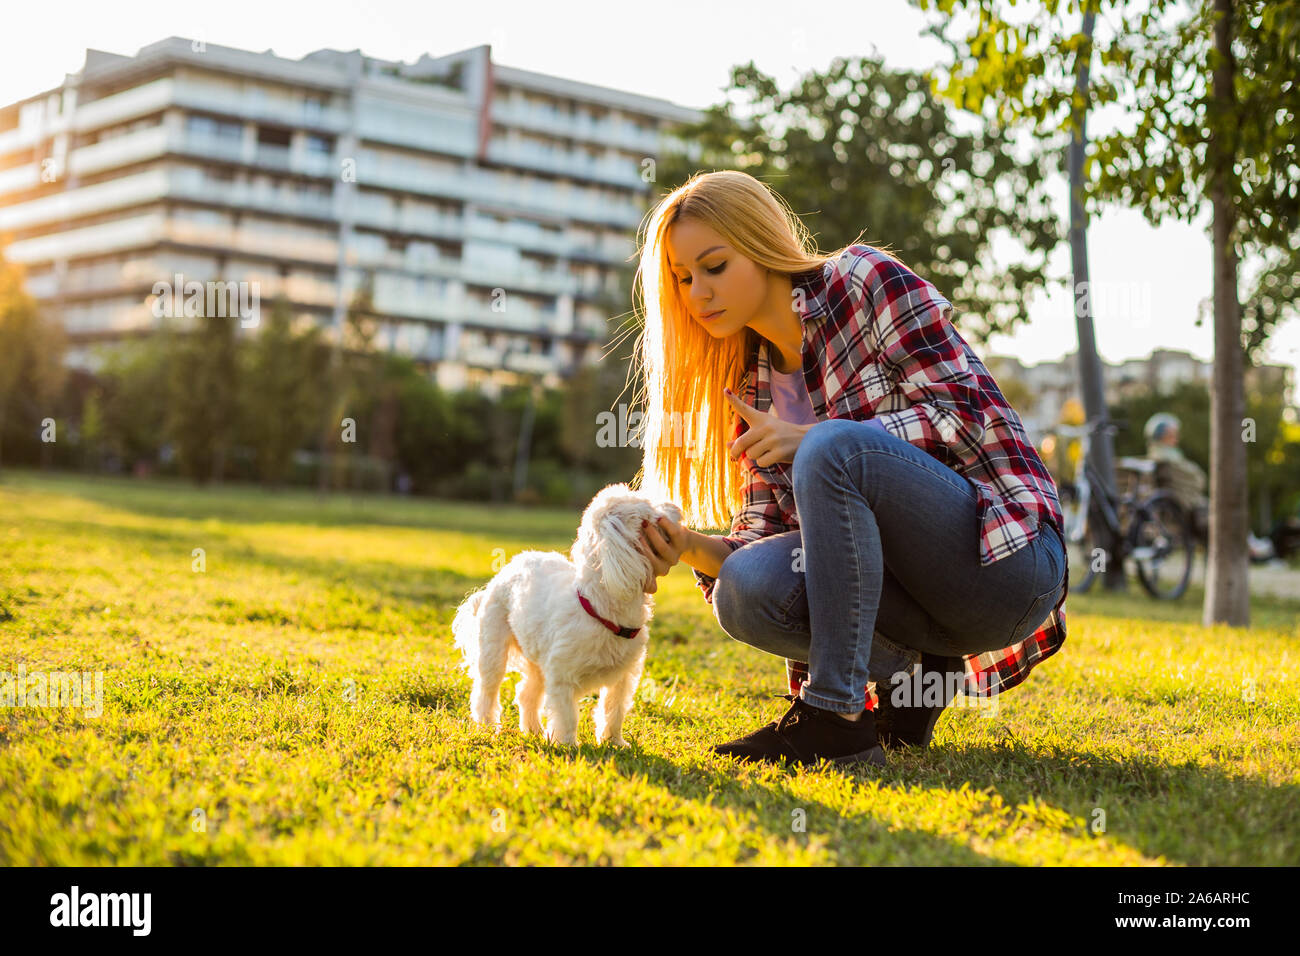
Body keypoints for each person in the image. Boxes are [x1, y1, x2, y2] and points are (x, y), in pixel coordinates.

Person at [625, 170, 1068, 768]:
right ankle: (915, 676)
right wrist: (684, 546)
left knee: (833, 447)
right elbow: (764, 549)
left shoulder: (861, 280)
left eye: (715, 266)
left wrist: (813, 440)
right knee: (745, 589)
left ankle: (834, 717)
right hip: (911, 607)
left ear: (759, 242)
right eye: (682, 278)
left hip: (1005, 564)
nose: (697, 292)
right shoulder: (753, 393)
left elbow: (967, 412)